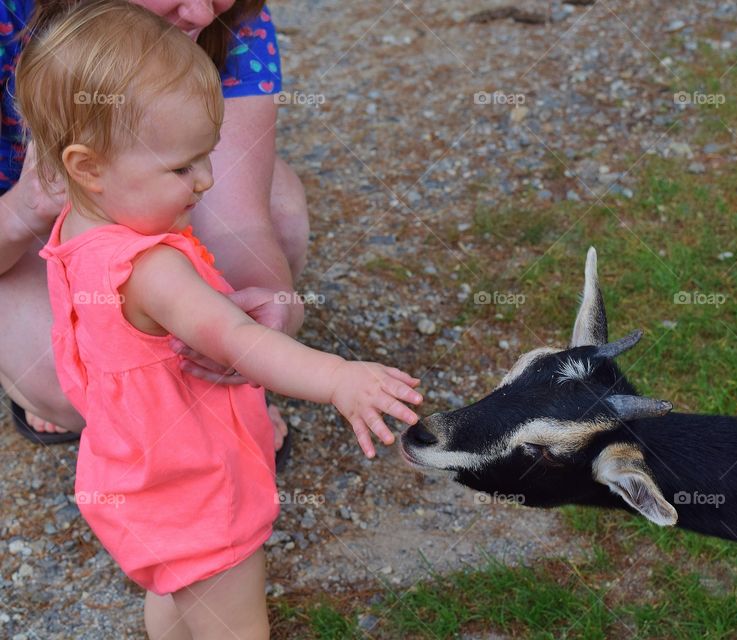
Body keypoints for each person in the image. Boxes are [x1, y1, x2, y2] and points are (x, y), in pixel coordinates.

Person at [16, 1, 422, 637]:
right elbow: (240, 340)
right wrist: (340, 378)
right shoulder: (152, 271)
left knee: (175, 589)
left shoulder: (75, 231)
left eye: (205, 156)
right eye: (182, 167)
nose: (204, 181)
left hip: (133, 478)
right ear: (87, 167)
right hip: (195, 489)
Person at [0, 0, 306, 460]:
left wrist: (265, 314)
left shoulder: (233, 19)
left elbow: (240, 222)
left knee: (278, 206)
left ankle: (204, 396)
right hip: (16, 228)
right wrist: (25, 210)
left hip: (122, 188)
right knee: (65, 381)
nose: (203, 14)